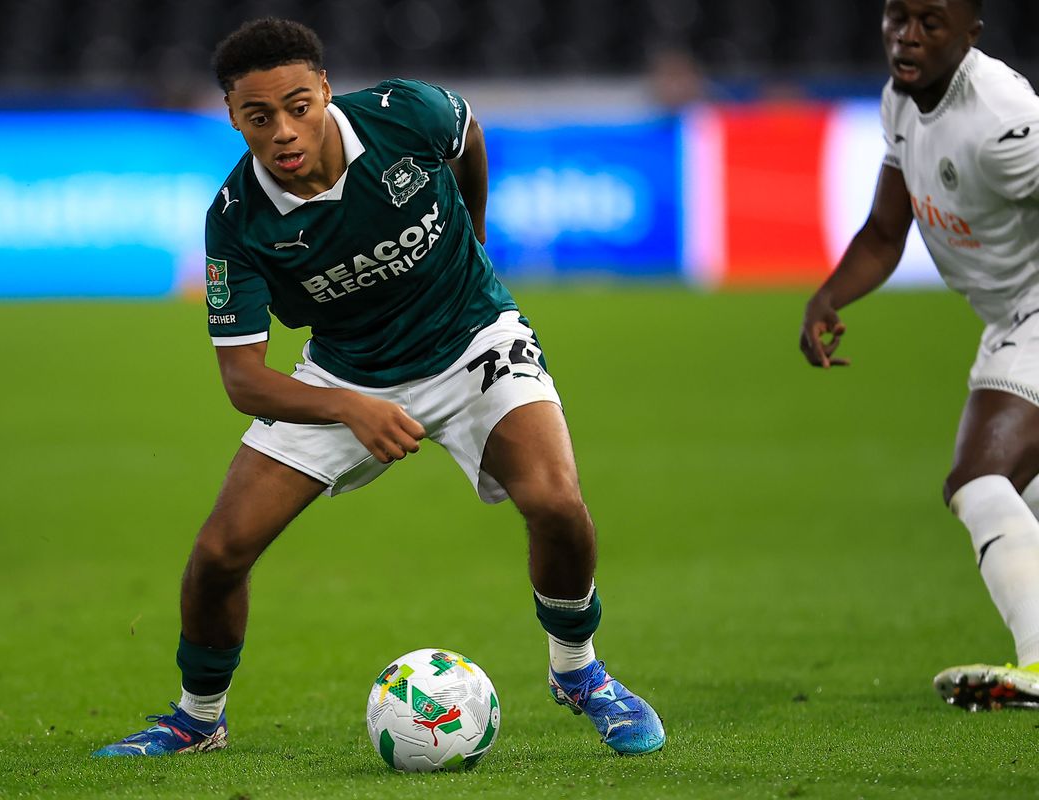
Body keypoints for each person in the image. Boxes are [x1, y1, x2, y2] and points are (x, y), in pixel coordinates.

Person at [92, 17, 665, 757]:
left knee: (555, 503)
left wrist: (475, 234)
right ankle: (197, 720)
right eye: (258, 116)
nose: (283, 131)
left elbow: (468, 136)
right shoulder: (237, 223)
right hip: (347, 374)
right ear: (232, 115)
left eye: (298, 106)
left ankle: (579, 672)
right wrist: (347, 405)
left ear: (326, 90)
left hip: (473, 338)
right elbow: (243, 380)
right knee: (219, 553)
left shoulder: (406, 115)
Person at [800, 0, 1039, 711]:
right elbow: (884, 230)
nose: (907, 37)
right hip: (1008, 317)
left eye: (931, 23)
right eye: (897, 18)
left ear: (970, 35)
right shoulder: (900, 102)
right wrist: (828, 298)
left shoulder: (1001, 117)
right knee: (1022, 490)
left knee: (978, 477)